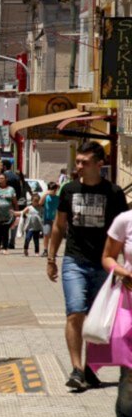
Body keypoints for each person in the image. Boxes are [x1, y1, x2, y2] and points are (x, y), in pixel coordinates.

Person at [48, 141, 128, 391]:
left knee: (99, 318)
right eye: (78, 162)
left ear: (98, 165)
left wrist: (121, 267)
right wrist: (51, 258)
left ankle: (91, 367)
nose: (78, 167)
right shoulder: (69, 190)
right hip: (75, 260)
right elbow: (59, 225)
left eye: (84, 162)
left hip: (104, 264)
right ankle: (76, 368)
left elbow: (122, 233)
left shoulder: (113, 193)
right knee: (75, 312)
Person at [98, 211, 132, 417]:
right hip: (130, 305)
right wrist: (123, 272)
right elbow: (108, 257)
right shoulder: (125, 220)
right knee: (130, 377)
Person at [39, 182, 59, 254]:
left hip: (56, 219)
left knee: (54, 235)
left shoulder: (58, 197)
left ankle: (53, 250)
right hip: (47, 218)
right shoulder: (46, 197)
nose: (52, 191)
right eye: (51, 189)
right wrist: (45, 194)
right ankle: (45, 250)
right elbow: (40, 203)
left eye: (54, 189)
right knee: (46, 234)